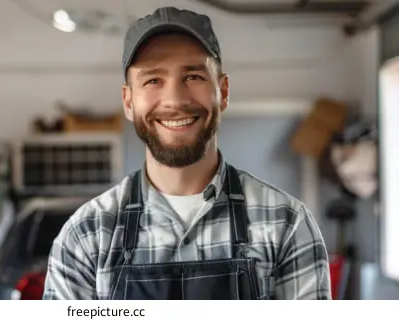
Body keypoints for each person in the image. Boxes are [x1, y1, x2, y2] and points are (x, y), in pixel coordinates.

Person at [43, 6, 331, 300]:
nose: (175, 100)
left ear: (224, 92)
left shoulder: (286, 225)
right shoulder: (86, 235)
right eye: (153, 80)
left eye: (193, 76)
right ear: (128, 102)